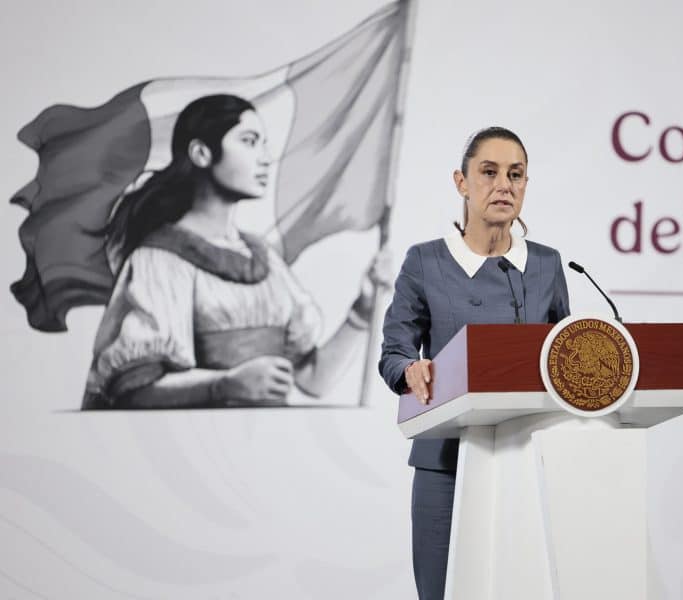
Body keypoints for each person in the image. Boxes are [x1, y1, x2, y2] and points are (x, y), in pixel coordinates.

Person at [83, 93, 388, 409]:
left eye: (263, 144)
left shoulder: (265, 259)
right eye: (249, 141)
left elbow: (313, 379)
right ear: (201, 153)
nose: (265, 158)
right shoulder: (159, 260)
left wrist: (362, 311)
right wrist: (224, 384)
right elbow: (135, 391)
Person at [378, 127, 571, 599]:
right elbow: (394, 351)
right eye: (489, 172)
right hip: (445, 460)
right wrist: (409, 369)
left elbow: (567, 356)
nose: (503, 185)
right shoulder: (425, 261)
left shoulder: (546, 264)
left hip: (527, 458)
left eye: (515, 175)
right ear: (461, 182)